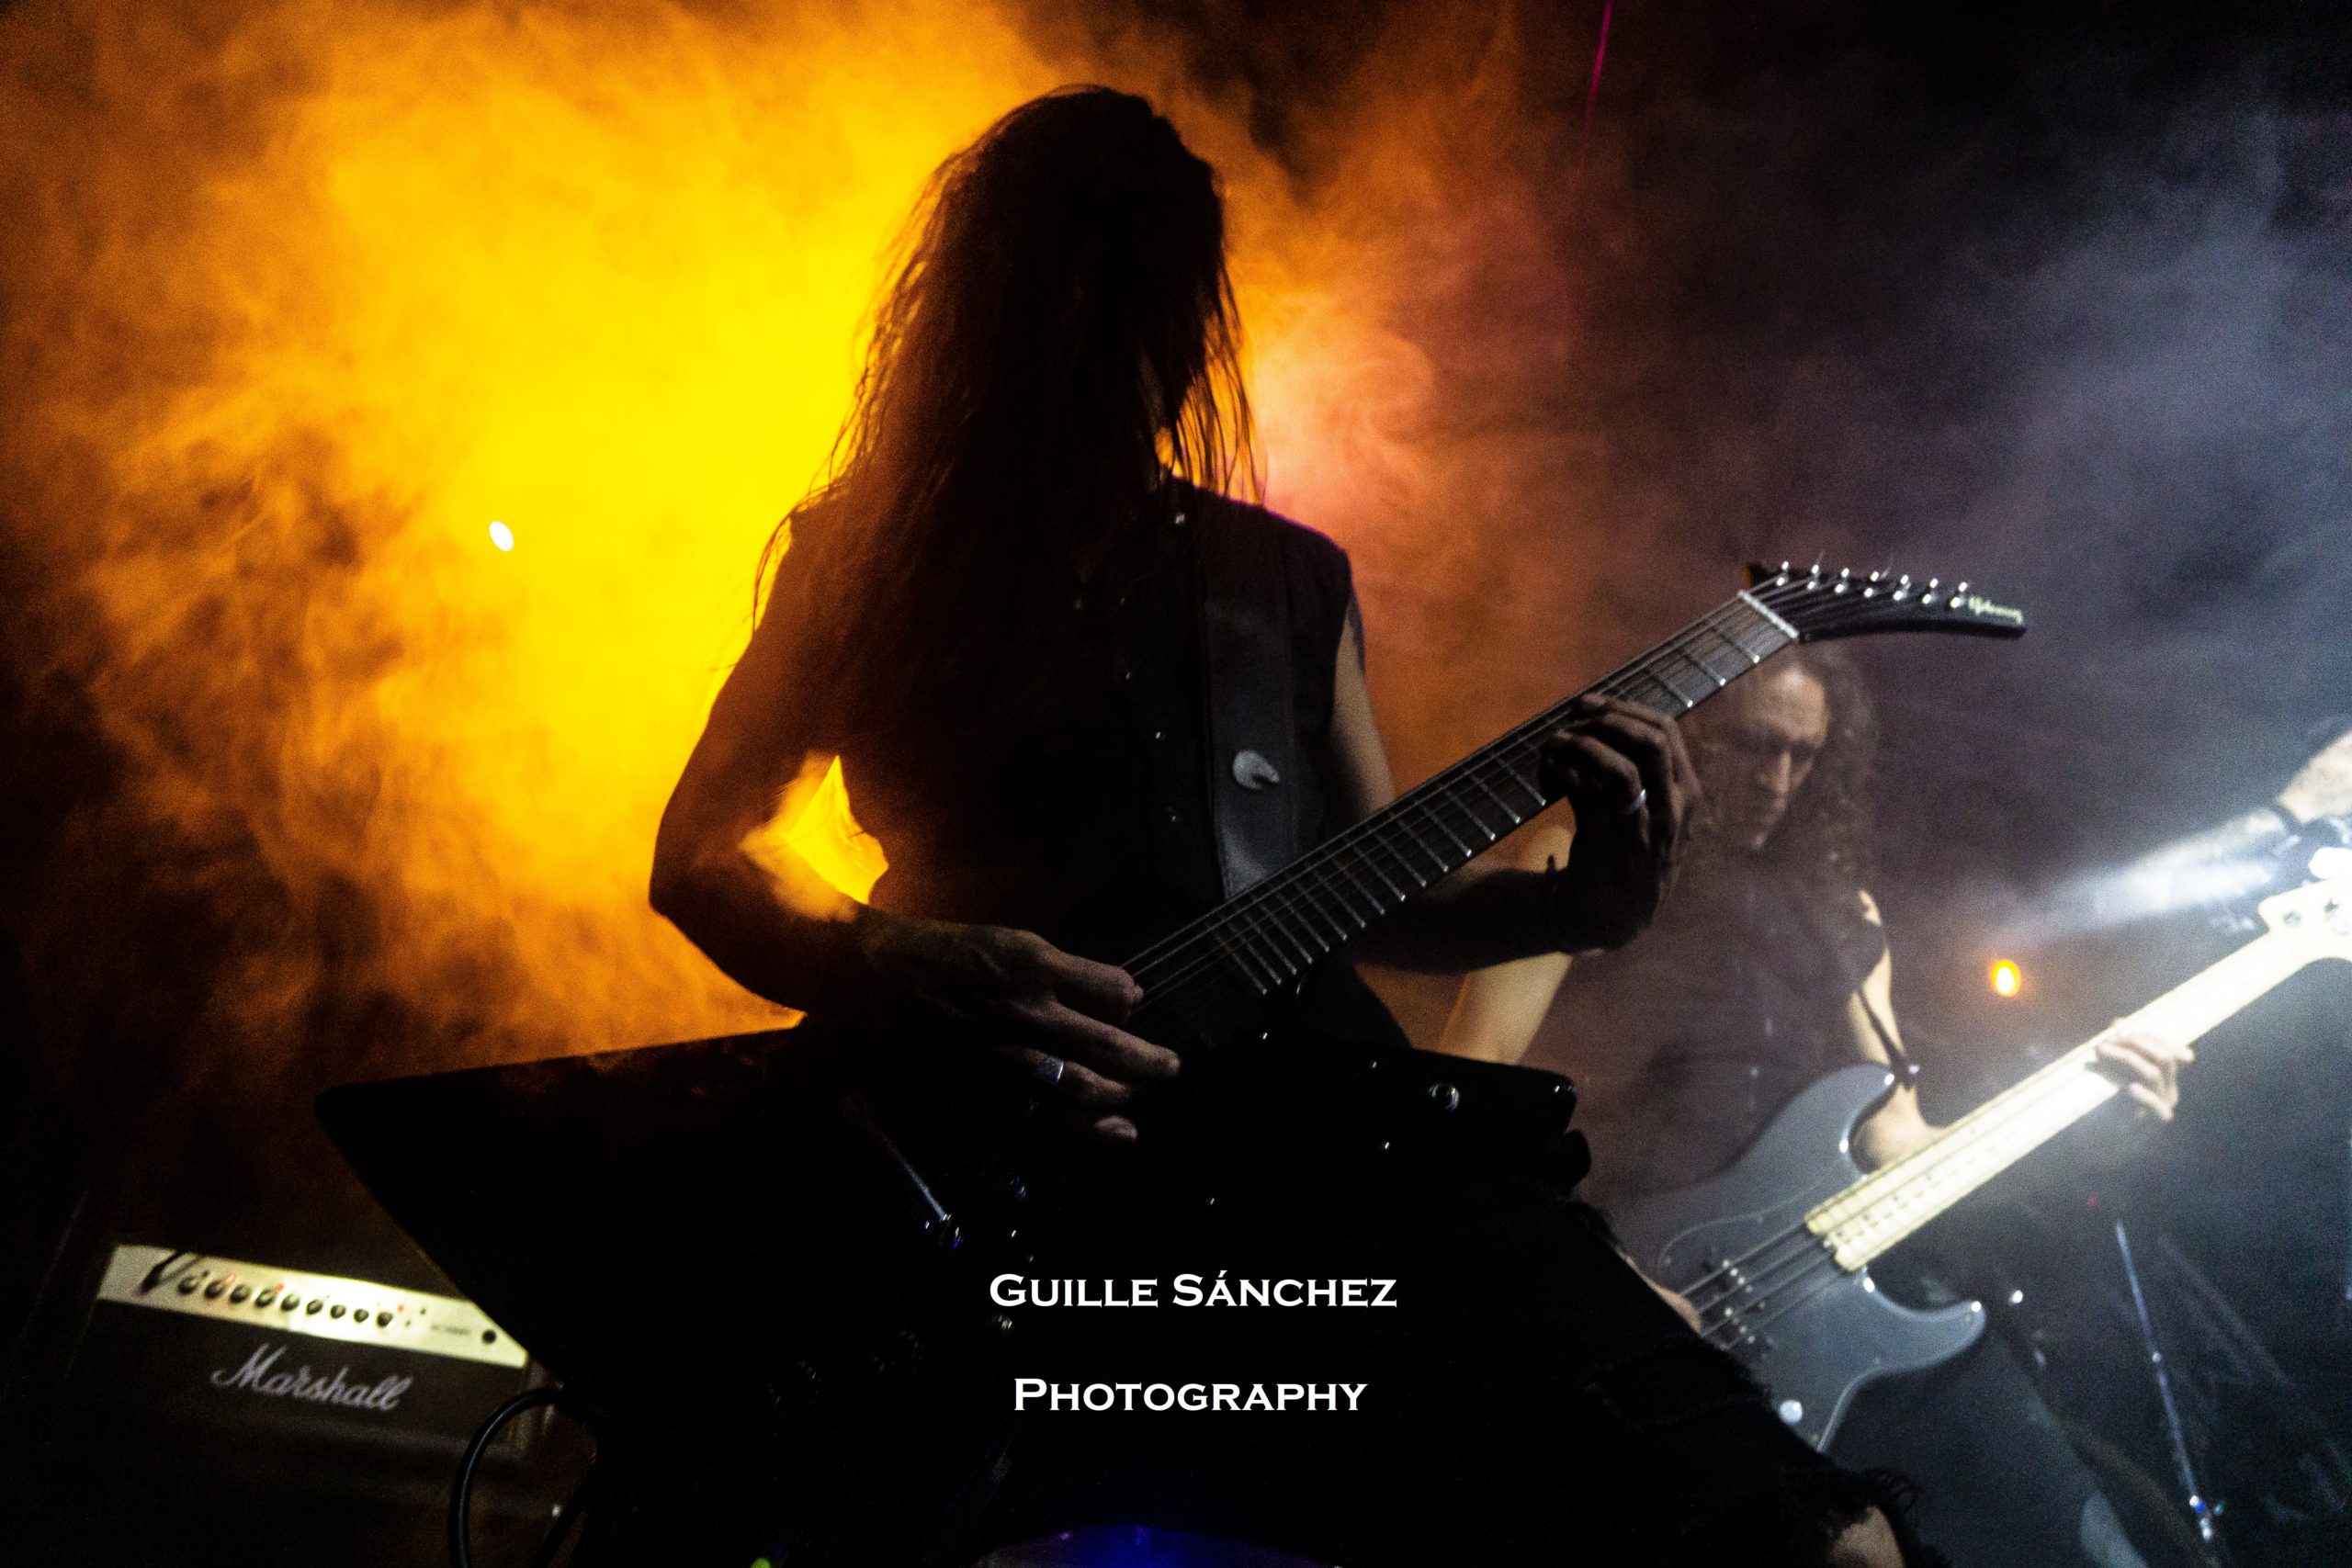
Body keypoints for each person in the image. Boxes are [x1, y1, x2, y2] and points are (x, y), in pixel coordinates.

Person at [651, 88, 1922, 1567]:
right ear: (998, 304)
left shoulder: (1282, 580)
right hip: (999, 1186)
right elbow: (704, 853)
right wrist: (901, 960)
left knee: (1807, 1532)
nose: (1121, 340)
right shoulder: (868, 556)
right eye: (1081, 286)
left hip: (1318, 1142)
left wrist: (1585, 903)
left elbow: (1375, 891)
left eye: (1152, 296)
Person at [1437, 647, 2201, 1567]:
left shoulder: (1845, 911)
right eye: (1753, 744)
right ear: (1691, 733)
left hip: (1837, 1313)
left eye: (1804, 754)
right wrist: (1601, 1281)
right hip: (1645, 1282)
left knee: (2080, 1541)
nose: (1777, 778)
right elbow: (1465, 1083)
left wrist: (2080, 1134)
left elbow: (1896, 1139)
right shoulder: (1589, 853)